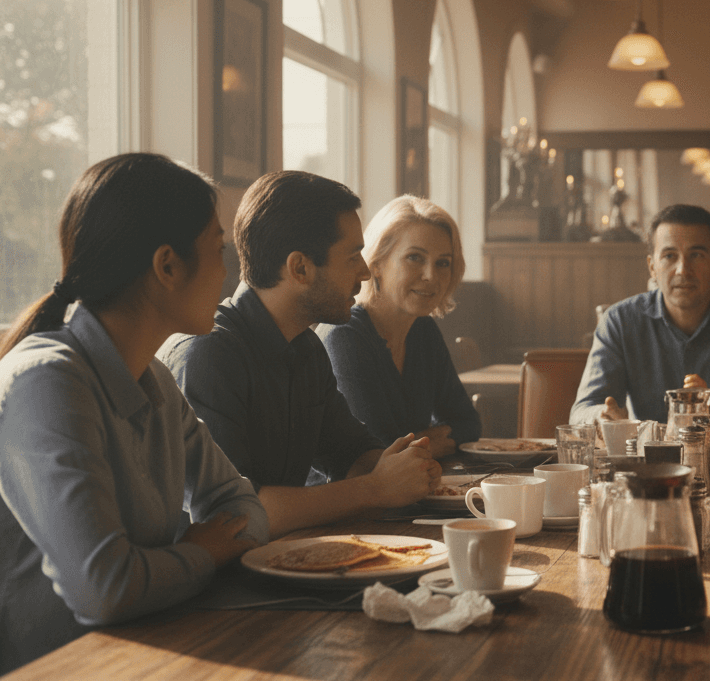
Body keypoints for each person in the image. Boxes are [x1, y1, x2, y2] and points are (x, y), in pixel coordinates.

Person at [0, 154, 267, 672]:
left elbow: (242, 505)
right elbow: (104, 589)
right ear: (167, 266)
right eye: (217, 251)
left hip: (155, 645)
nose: (227, 272)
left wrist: (185, 556)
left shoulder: (154, 377)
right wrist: (204, 553)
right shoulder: (46, 381)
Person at [160, 171, 440, 539]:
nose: (365, 272)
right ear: (300, 268)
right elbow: (233, 515)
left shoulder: (306, 347)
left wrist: (402, 467)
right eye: (353, 256)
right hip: (210, 585)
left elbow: (352, 453)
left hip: (282, 560)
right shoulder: (207, 354)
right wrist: (377, 488)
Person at [571, 204, 710, 425]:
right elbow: (583, 409)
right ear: (652, 267)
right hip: (647, 463)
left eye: (697, 255)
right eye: (670, 256)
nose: (683, 269)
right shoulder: (620, 321)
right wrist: (602, 415)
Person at [317, 196, 481, 457]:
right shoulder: (345, 336)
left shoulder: (423, 330)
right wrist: (430, 439)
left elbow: (469, 425)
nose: (431, 275)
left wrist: (410, 446)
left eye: (443, 263)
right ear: (377, 264)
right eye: (415, 257)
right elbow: (379, 453)